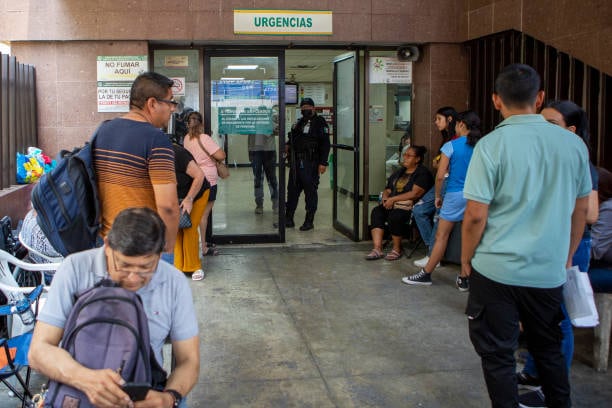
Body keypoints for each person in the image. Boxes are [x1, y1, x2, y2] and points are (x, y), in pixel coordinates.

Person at [461, 64, 591, 408]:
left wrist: (466, 260)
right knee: (548, 348)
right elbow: (580, 210)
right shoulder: (573, 145)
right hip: (547, 271)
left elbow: (475, 214)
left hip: (495, 271)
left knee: (498, 354)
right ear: (540, 97)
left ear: (495, 100)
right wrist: (566, 255)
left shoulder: (490, 145)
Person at [29, 207, 200, 408]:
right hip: (77, 392)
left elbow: (189, 359)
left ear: (160, 254)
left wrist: (169, 398)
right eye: (125, 266)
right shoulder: (75, 268)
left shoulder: (174, 282)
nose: (134, 278)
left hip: (143, 393)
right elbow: (38, 351)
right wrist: (85, 379)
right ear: (108, 246)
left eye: (146, 268)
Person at [517, 100, 600, 393]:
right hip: (547, 241)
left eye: (552, 124)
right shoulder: (547, 159)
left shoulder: (580, 161)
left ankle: (552, 387)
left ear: (571, 130)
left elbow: (589, 213)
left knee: (559, 317)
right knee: (538, 313)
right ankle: (532, 371)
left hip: (570, 246)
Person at [93, 72, 180, 253]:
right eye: (170, 101)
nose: (173, 108)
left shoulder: (103, 131)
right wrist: (168, 248)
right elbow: (168, 206)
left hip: (106, 243)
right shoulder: (156, 140)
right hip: (142, 247)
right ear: (152, 103)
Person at [403, 110, 482, 289]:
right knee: (469, 238)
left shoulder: (451, 146)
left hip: (454, 195)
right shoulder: (482, 145)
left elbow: (440, 176)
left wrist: (438, 196)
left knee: (441, 236)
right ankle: (464, 277)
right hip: (476, 196)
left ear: (461, 124)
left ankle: (427, 273)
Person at [365, 145, 434, 261]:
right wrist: (386, 198)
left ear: (417, 159)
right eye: (404, 155)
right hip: (393, 203)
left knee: (395, 216)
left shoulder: (422, 173)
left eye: (409, 156)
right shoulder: (400, 172)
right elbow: (388, 189)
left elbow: (415, 193)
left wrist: (393, 199)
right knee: (377, 212)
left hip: (408, 208)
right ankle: (377, 248)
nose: (405, 158)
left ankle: (397, 249)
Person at [412, 106, 459, 268]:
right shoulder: (447, 138)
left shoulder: (456, 140)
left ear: (450, 120)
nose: (436, 122)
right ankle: (433, 250)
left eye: (439, 119)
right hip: (442, 181)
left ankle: (434, 255)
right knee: (419, 210)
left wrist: (439, 164)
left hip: (447, 182)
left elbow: (445, 167)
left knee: (438, 217)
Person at [183, 111, 225, 257]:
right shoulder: (204, 138)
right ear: (201, 124)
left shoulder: (186, 139)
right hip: (208, 180)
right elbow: (221, 155)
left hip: (194, 179)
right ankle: (204, 247)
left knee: (196, 212)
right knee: (203, 215)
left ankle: (199, 243)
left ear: (188, 123)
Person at [285, 97, 331, 231]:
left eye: (307, 107)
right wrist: (287, 145)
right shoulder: (299, 123)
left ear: (313, 108)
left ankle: (309, 221)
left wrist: (323, 163)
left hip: (311, 162)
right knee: (292, 191)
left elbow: (325, 144)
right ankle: (289, 219)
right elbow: (292, 138)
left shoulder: (320, 122)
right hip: (295, 163)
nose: (305, 110)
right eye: (303, 108)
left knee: (310, 192)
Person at [172, 142, 210, 281]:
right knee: (176, 230)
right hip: (176, 196)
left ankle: (194, 266)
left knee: (189, 228)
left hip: (197, 193)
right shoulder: (151, 158)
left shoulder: (177, 153)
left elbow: (199, 175)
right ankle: (178, 267)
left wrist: (189, 199)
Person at [248, 105, 279, 214]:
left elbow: (278, 130)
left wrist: (268, 125)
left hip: (269, 150)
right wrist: (250, 152)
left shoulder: (273, 113)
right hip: (255, 151)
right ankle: (259, 205)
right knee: (257, 179)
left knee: (272, 179)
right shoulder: (251, 114)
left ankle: (276, 205)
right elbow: (247, 132)